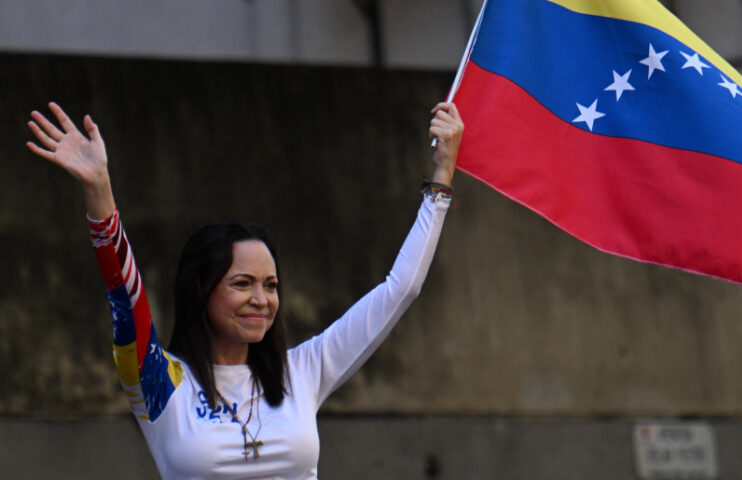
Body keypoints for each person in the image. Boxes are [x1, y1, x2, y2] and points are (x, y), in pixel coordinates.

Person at [26, 101, 463, 479]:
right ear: (202, 290)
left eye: (271, 285)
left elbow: (400, 289)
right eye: (242, 283)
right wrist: (99, 189)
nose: (262, 299)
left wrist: (441, 178)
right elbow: (125, 293)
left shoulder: (304, 372)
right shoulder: (161, 382)